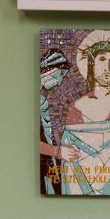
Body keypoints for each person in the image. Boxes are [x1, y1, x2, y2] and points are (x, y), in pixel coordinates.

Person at [60, 31, 110, 195]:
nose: (108, 67)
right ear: (92, 64)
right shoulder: (77, 108)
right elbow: (71, 161)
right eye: (102, 59)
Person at [39, 48, 79, 194]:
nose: (59, 81)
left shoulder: (41, 100)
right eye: (60, 74)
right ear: (50, 70)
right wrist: (57, 151)